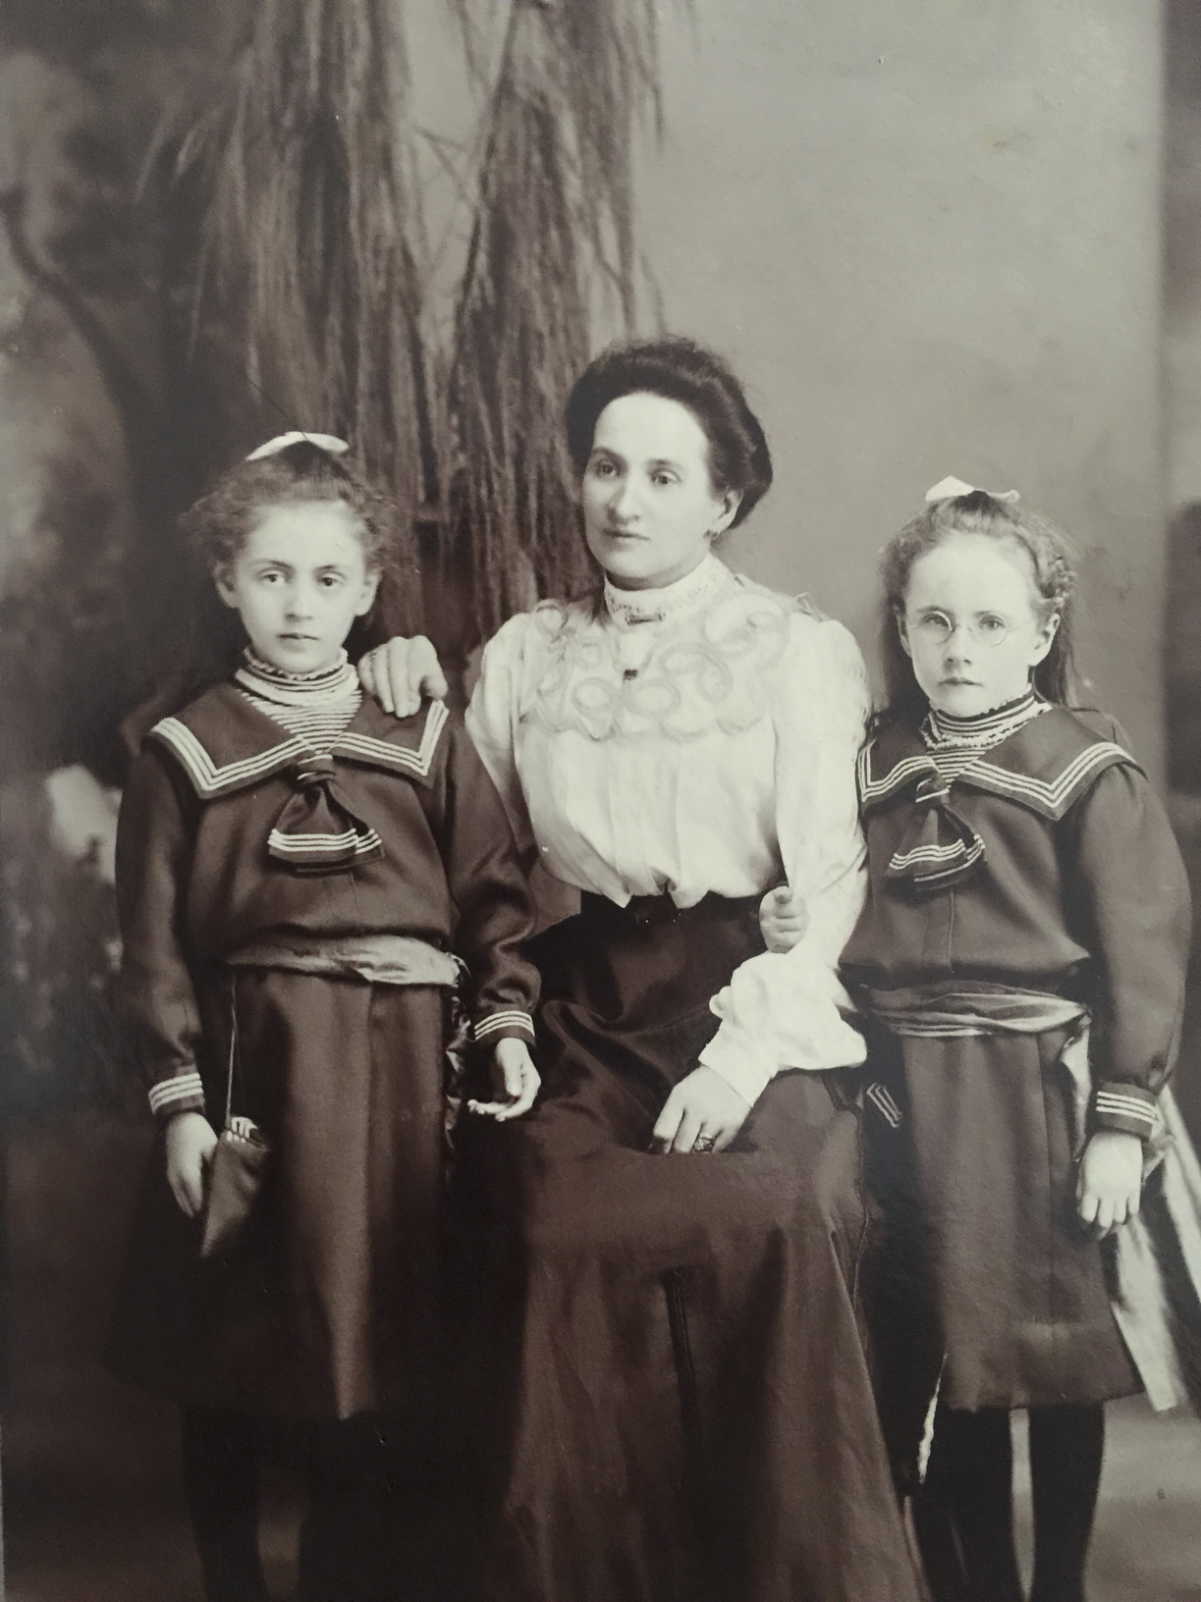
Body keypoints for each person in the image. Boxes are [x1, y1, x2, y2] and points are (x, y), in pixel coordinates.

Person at [359, 336, 923, 1602]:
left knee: (772, 1202)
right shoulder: (521, 654)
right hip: (583, 996)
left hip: (752, 989)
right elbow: (470, 853)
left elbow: (827, 878)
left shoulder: (795, 649)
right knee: (553, 1217)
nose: (625, 500)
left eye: (666, 477)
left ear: (724, 501)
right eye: (608, 467)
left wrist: (739, 1055)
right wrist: (395, 682)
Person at [109, 432, 541, 1602]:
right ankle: (232, 1582)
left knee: (381, 1342)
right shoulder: (185, 750)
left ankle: (353, 1581)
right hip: (261, 1068)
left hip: (403, 1077)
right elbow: (149, 946)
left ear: (366, 590)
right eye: (271, 576)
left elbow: (493, 900)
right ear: (225, 581)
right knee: (232, 1343)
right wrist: (180, 1102)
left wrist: (501, 1023)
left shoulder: (423, 735)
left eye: (327, 579)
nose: (299, 606)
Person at [828, 477, 1201, 1602]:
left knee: (1056, 1357)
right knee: (957, 1359)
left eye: (990, 622)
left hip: (1043, 1091)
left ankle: (1059, 1586)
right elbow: (849, 905)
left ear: (1041, 631)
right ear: (899, 626)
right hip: (912, 1094)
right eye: (933, 620)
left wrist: (1119, 1127)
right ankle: (981, 1583)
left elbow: (1145, 951)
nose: (958, 646)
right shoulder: (873, 762)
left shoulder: (1082, 768)